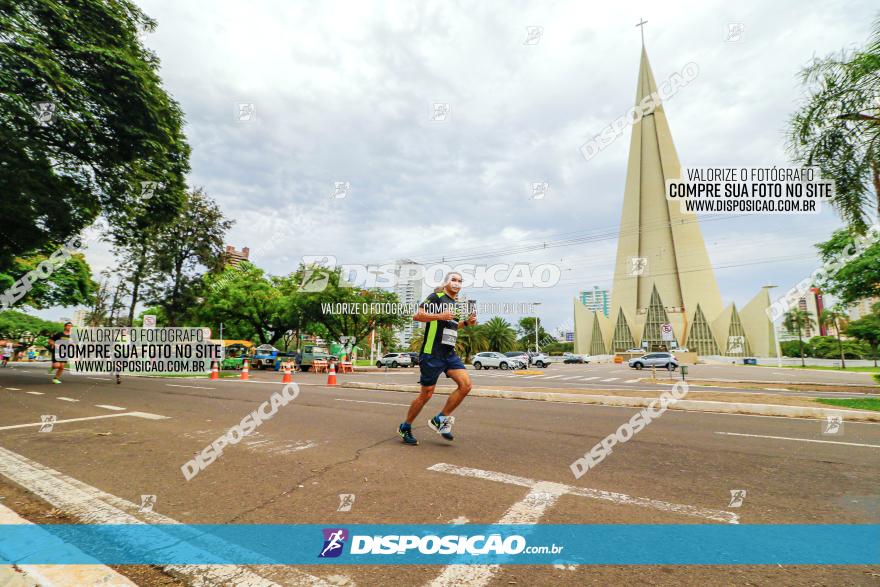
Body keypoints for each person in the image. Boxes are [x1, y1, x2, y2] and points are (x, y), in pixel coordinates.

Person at [398, 272, 476, 445]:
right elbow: (417, 316)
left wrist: (466, 324)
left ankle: (440, 419)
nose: (457, 283)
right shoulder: (436, 297)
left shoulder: (454, 303)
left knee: (466, 385)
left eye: (459, 281)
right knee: (426, 394)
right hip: (431, 352)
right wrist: (439, 316)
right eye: (453, 280)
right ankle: (405, 426)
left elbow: (451, 326)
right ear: (446, 282)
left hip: (449, 353)